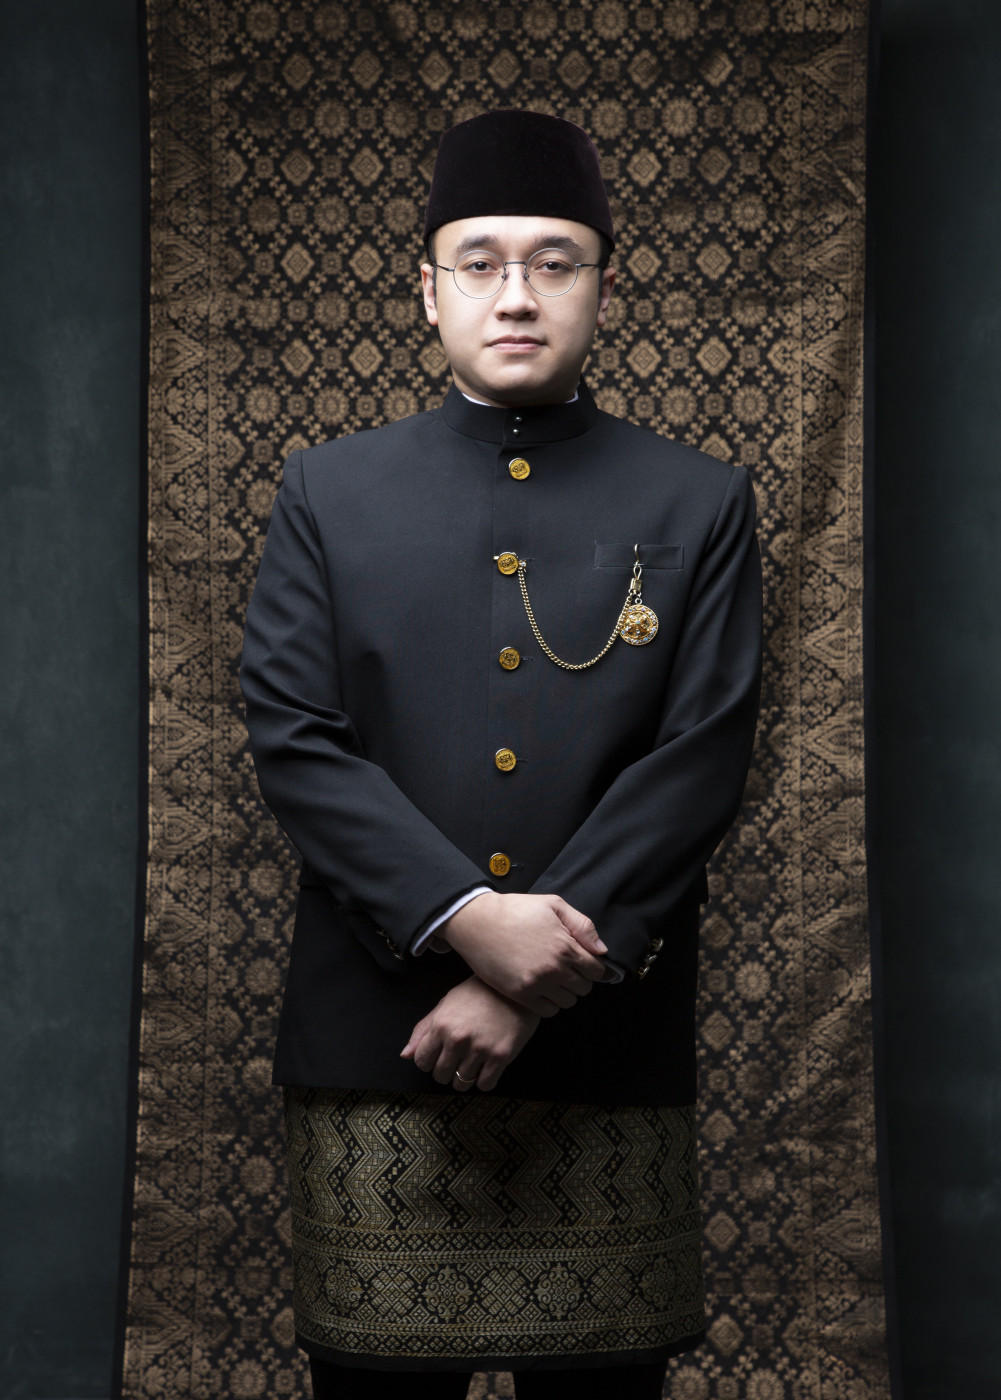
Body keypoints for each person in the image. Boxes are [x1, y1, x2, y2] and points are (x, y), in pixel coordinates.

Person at [241, 109, 762, 1400]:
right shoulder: (327, 491)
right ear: (429, 291)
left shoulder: (698, 499)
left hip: (603, 1049)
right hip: (381, 1044)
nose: (516, 295)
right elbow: (296, 739)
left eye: (554, 262)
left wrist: (528, 984)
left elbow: (701, 754)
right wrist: (465, 920)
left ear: (603, 289)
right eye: (479, 262)